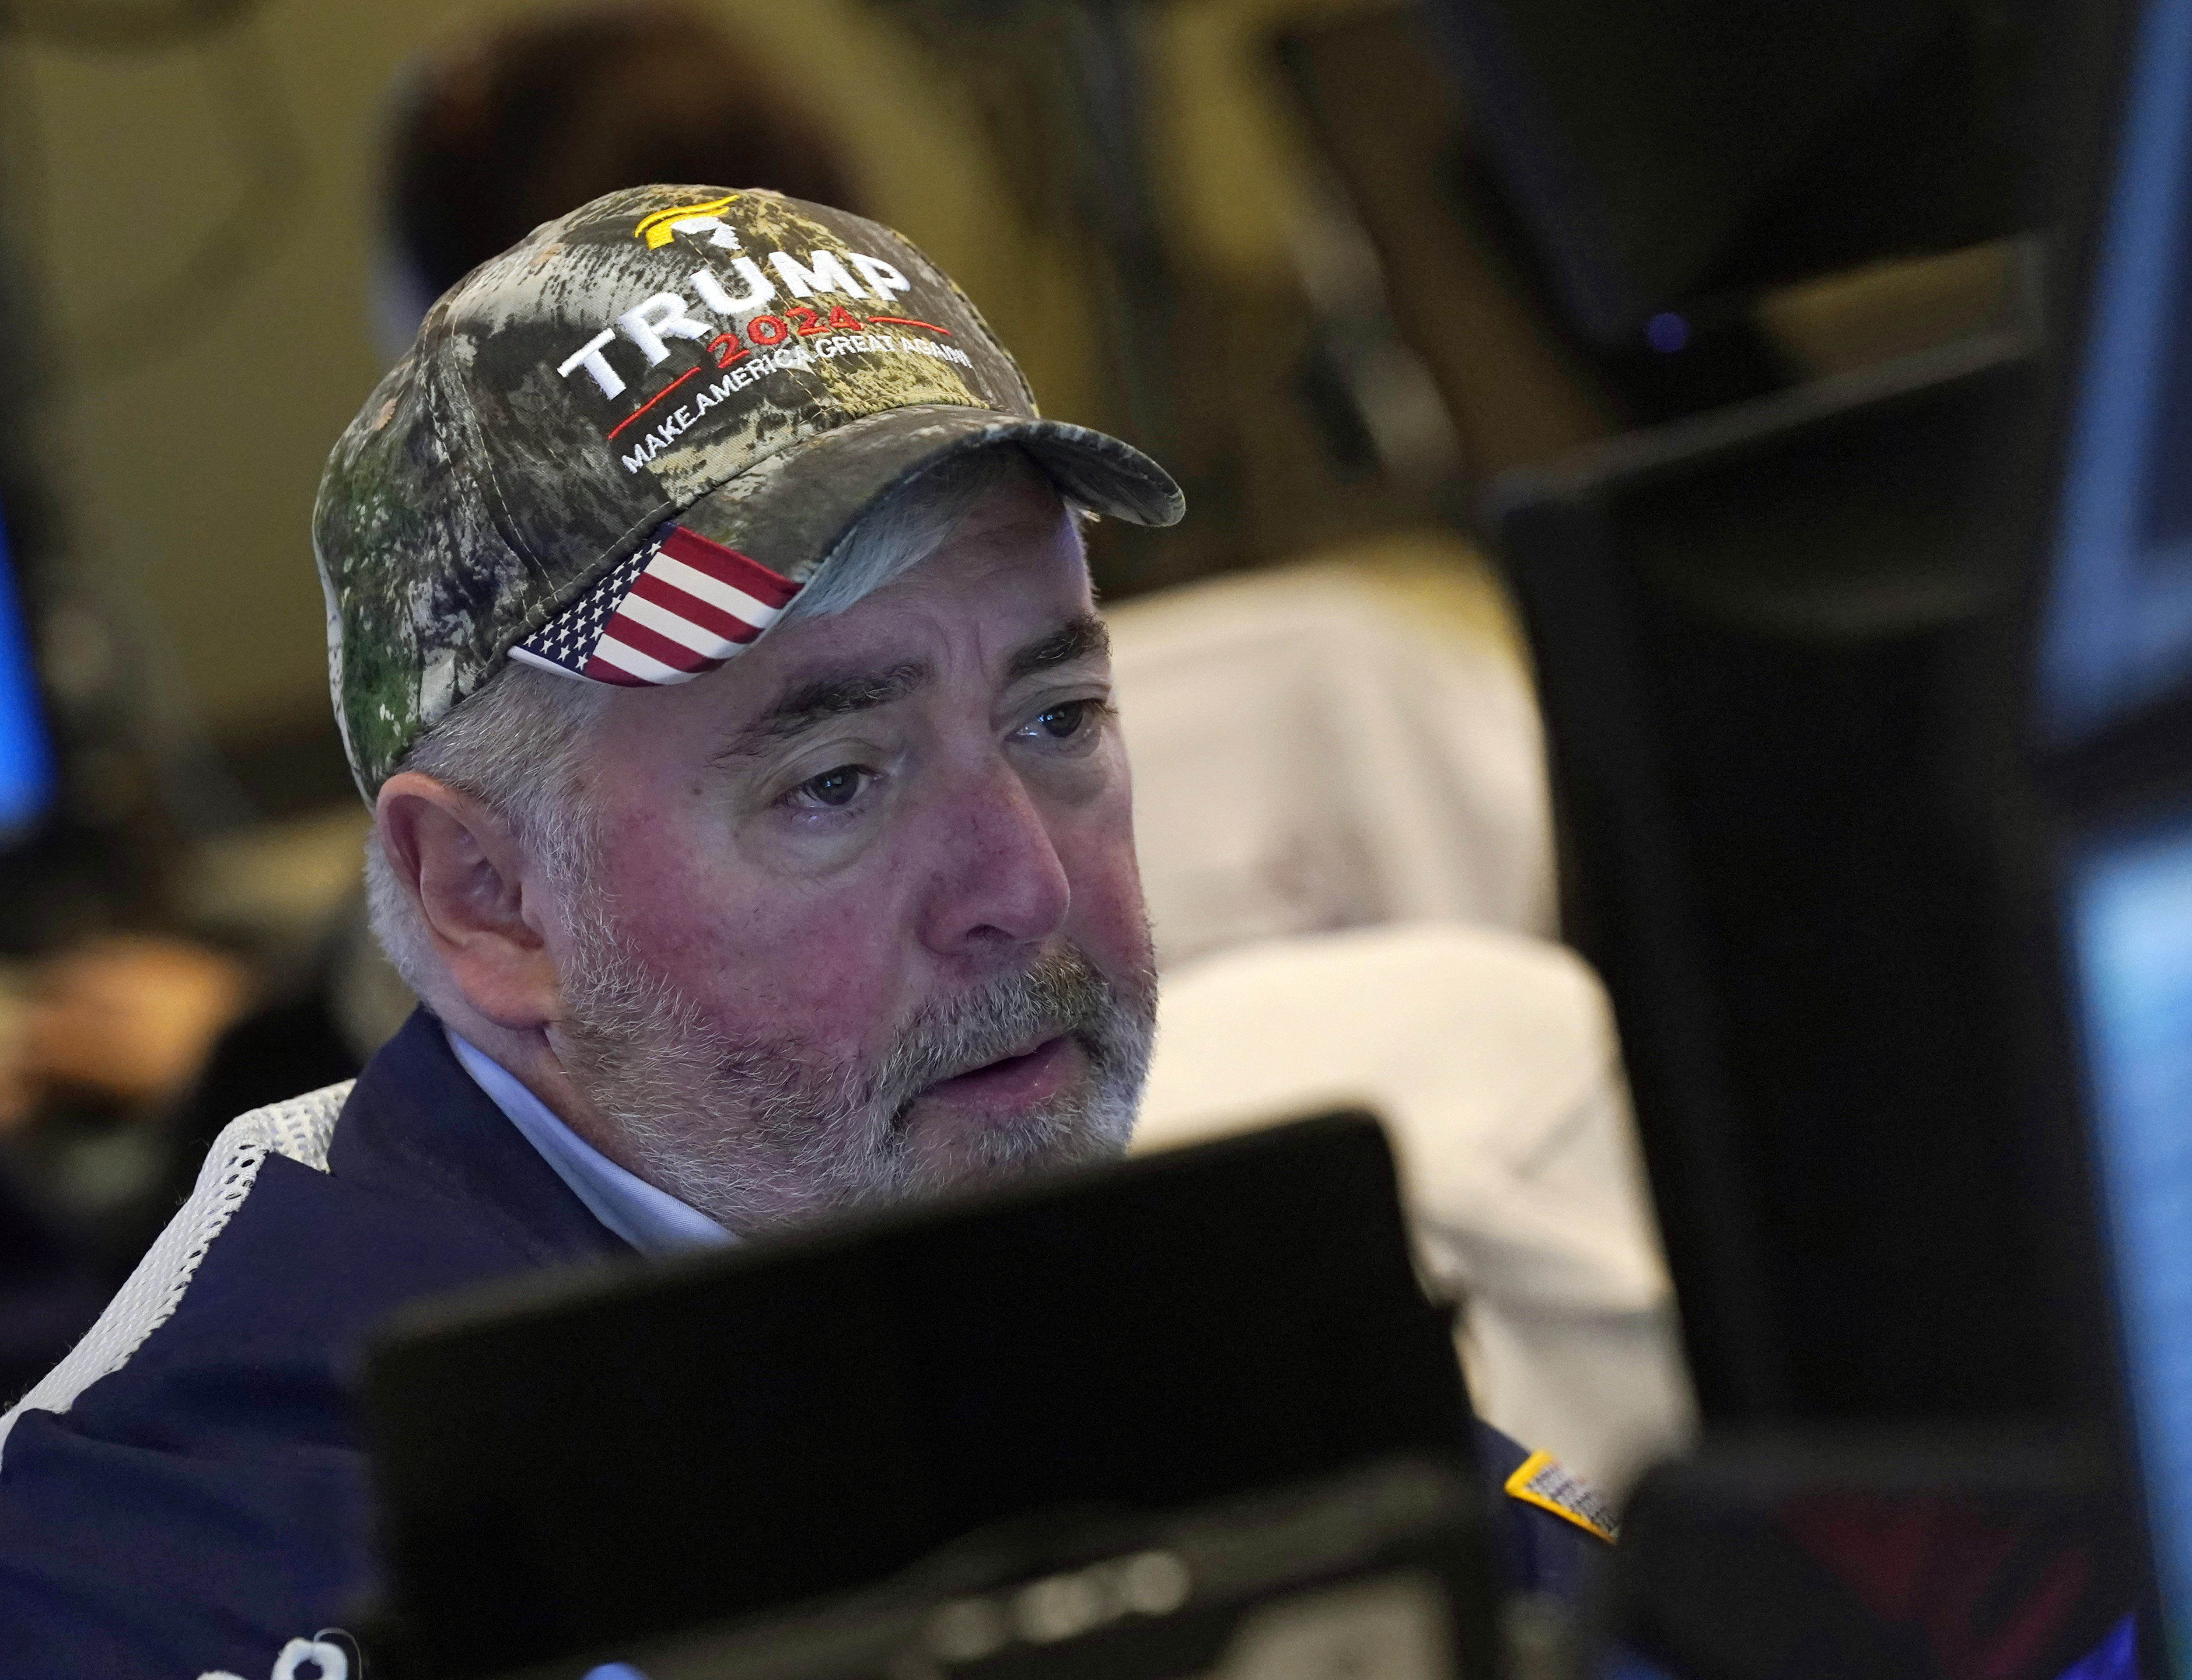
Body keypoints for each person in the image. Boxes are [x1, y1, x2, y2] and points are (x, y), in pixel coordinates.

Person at [0, 185, 1604, 1676]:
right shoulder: (167, 1552)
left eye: (1056, 719)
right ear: (488, 901)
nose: (1023, 889)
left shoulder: (1107, 1283)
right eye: (836, 782)